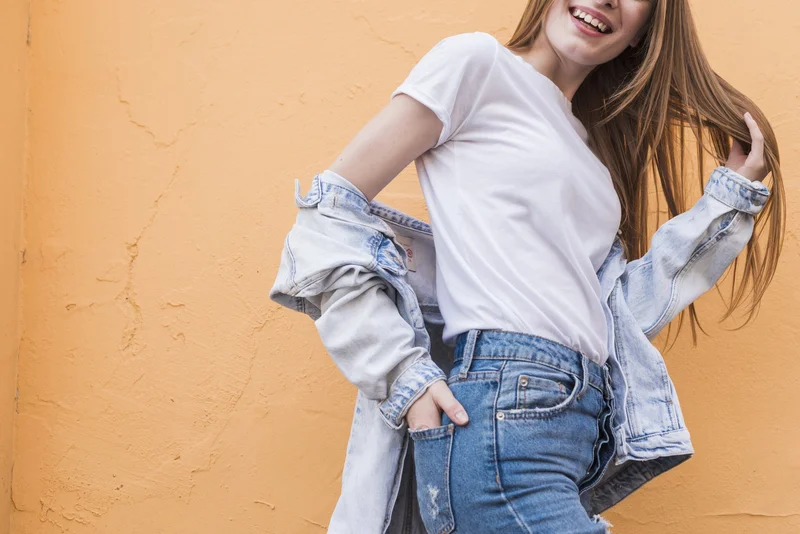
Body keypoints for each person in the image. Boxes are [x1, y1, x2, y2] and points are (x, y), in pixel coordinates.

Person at [275, 0, 784, 531]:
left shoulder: (591, 154)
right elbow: (327, 214)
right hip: (499, 419)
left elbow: (613, 317)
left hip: (572, 431)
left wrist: (726, 202)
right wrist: (404, 377)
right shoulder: (476, 65)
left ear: (644, 31)